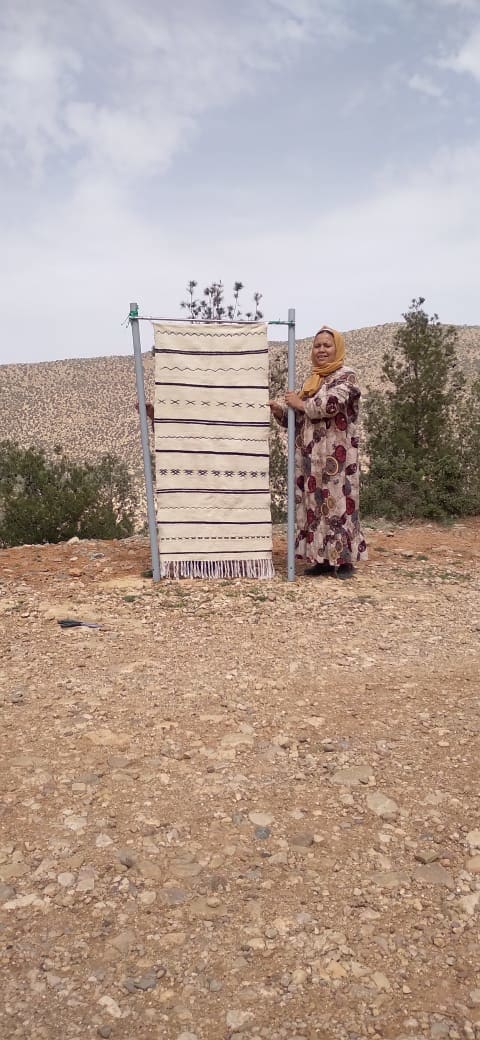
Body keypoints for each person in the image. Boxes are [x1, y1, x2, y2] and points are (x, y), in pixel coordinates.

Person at [269, 325, 367, 578]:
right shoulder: (313, 381)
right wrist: (282, 411)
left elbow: (330, 405)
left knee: (339, 504)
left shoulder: (347, 376)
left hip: (337, 457)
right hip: (311, 458)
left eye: (327, 345)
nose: (321, 350)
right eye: (317, 346)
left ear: (337, 348)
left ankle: (344, 560)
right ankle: (321, 559)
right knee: (314, 504)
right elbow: (300, 420)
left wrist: (299, 403)